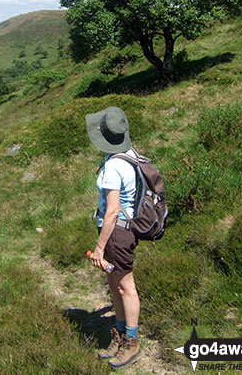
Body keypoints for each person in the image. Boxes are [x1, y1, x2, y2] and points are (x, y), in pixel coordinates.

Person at [85, 106, 141, 369]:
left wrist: (99, 247)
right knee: (115, 283)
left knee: (125, 286)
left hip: (116, 234)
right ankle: (120, 334)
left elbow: (112, 211)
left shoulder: (113, 166)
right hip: (121, 232)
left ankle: (131, 341)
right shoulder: (129, 155)